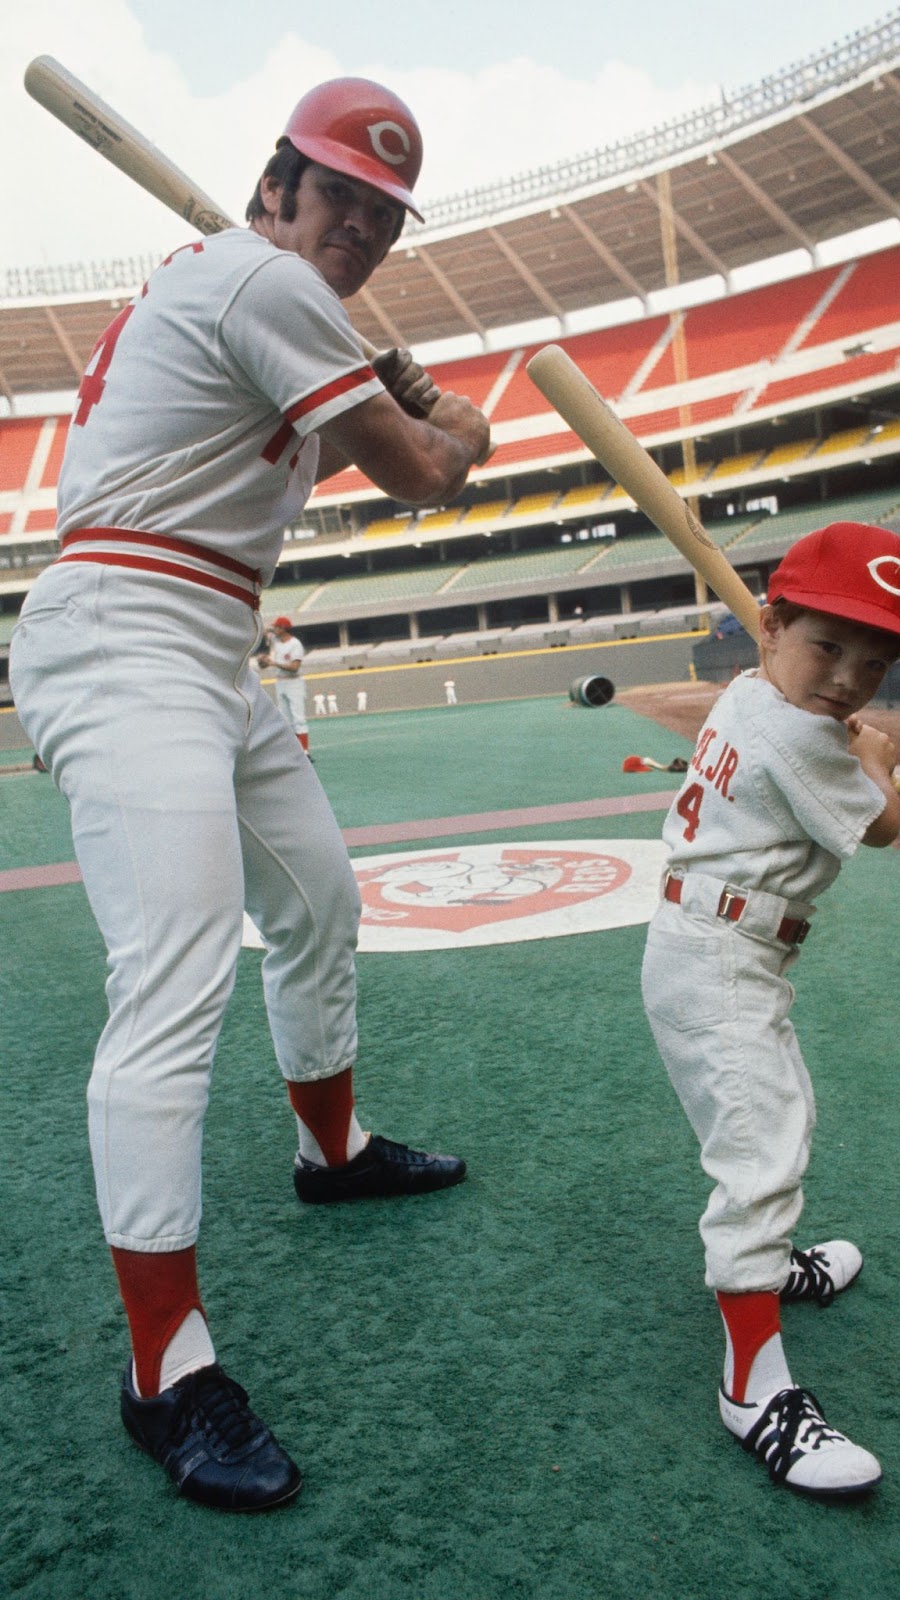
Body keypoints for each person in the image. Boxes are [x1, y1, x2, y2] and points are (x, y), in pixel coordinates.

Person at [10, 76, 490, 1513]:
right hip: (119, 626)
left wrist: (384, 393)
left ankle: (329, 1150)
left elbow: (343, 443)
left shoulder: (268, 294)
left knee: (320, 900)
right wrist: (449, 419)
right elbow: (422, 476)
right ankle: (163, 1367)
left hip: (211, 638)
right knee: (170, 982)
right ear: (273, 181)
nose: (357, 226)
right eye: (336, 191)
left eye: (381, 213)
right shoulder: (251, 276)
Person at [641, 521, 900, 1500]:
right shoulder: (804, 736)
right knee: (760, 1142)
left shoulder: (746, 689)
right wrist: (882, 758)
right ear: (769, 625)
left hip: (717, 947)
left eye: (877, 659)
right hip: (721, 954)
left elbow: (816, 708)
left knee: (782, 1111)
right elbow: (889, 823)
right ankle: (752, 1387)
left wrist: (836, 714)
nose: (851, 679)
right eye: (827, 646)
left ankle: (769, 1262)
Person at [258, 616, 309, 752]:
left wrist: (273, 663)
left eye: (277, 627)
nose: (274, 629)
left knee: (298, 717)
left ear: (283, 629)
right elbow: (264, 632)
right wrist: (264, 661)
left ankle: (304, 751)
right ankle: (292, 751)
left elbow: (294, 667)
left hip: (294, 682)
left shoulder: (295, 644)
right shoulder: (276, 641)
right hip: (280, 682)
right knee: (285, 719)